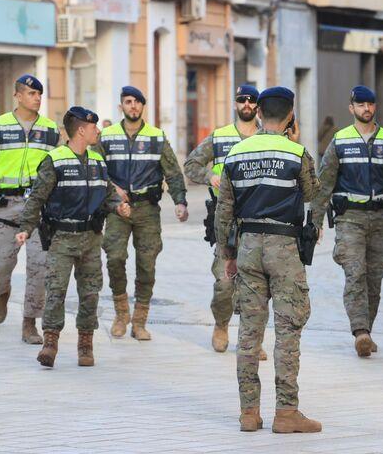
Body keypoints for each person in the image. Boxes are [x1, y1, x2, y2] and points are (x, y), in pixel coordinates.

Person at [216, 86, 322, 434]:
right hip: (284, 247)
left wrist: (227, 254)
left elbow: (224, 212)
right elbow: (312, 194)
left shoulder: (236, 153)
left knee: (249, 330)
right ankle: (286, 412)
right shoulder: (296, 153)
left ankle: (249, 413)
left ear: (258, 113)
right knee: (288, 329)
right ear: (290, 115)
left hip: (247, 246)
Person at [15, 107, 131, 368]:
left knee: (90, 293)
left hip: (91, 238)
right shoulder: (54, 160)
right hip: (62, 238)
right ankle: (50, 343)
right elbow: (37, 197)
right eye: (94, 127)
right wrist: (26, 227)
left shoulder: (98, 161)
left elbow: (108, 192)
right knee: (56, 291)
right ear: (81, 130)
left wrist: (118, 206)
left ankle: (85, 344)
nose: (98, 131)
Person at [310, 85, 383, 358]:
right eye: (360, 105)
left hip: (382, 219)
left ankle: (367, 331)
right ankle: (360, 332)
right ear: (352, 109)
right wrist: (315, 221)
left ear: (374, 107)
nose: (366, 109)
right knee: (355, 273)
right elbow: (324, 185)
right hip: (350, 220)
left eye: (370, 104)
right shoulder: (340, 141)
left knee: (374, 279)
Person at [0, 74, 60, 343]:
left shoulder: (50, 129)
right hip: (5, 208)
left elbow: (60, 165)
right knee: (0, 266)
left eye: (39, 94)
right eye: (31, 94)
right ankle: (2, 293)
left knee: (39, 266)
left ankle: (29, 322)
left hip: (39, 209)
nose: (37, 98)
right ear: (18, 96)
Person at [183, 84, 267, 359]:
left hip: (258, 217)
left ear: (258, 106)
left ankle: (253, 340)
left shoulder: (268, 137)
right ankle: (221, 324)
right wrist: (210, 176)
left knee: (257, 284)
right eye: (242, 99)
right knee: (224, 281)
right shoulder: (219, 138)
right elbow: (192, 165)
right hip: (225, 218)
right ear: (235, 104)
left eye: (252, 100)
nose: (247, 104)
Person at [99, 86, 188, 341]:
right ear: (121, 106)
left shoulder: (156, 136)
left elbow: (172, 171)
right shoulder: (106, 136)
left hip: (147, 209)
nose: (133, 106)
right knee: (115, 258)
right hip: (117, 209)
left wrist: (180, 201)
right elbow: (95, 169)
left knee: (146, 265)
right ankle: (120, 314)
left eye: (137, 102)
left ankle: (139, 321)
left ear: (143, 106)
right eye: (128, 102)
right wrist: (113, 191)